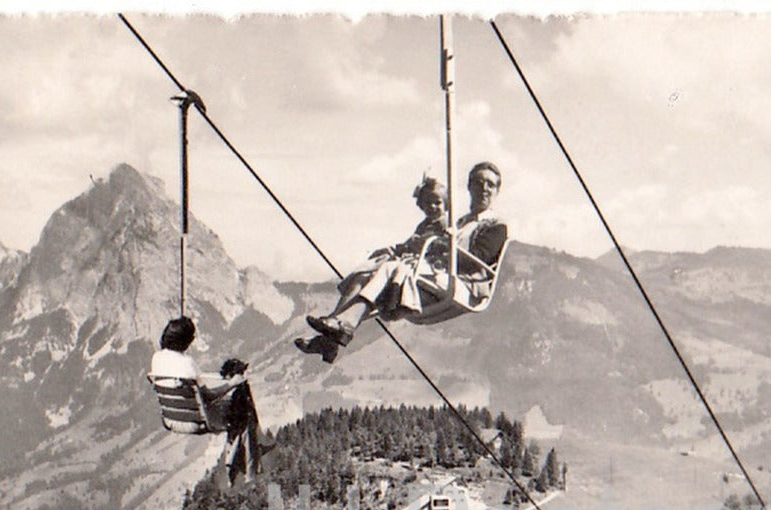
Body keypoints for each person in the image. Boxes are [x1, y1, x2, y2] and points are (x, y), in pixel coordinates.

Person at [297, 163, 508, 362]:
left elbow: (478, 259)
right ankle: (332, 334)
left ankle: (343, 325)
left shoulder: (495, 226)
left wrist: (443, 246)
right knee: (369, 272)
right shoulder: (460, 221)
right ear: (470, 186)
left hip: (462, 282)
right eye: (479, 182)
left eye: (490, 184)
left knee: (391, 268)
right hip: (437, 273)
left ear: (497, 190)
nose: (484, 188)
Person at [150, 316, 269, 483]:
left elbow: (194, 387)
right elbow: (209, 396)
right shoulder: (187, 362)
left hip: (173, 419)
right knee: (244, 408)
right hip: (198, 421)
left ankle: (245, 463)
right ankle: (250, 471)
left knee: (239, 405)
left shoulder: (157, 358)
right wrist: (231, 383)